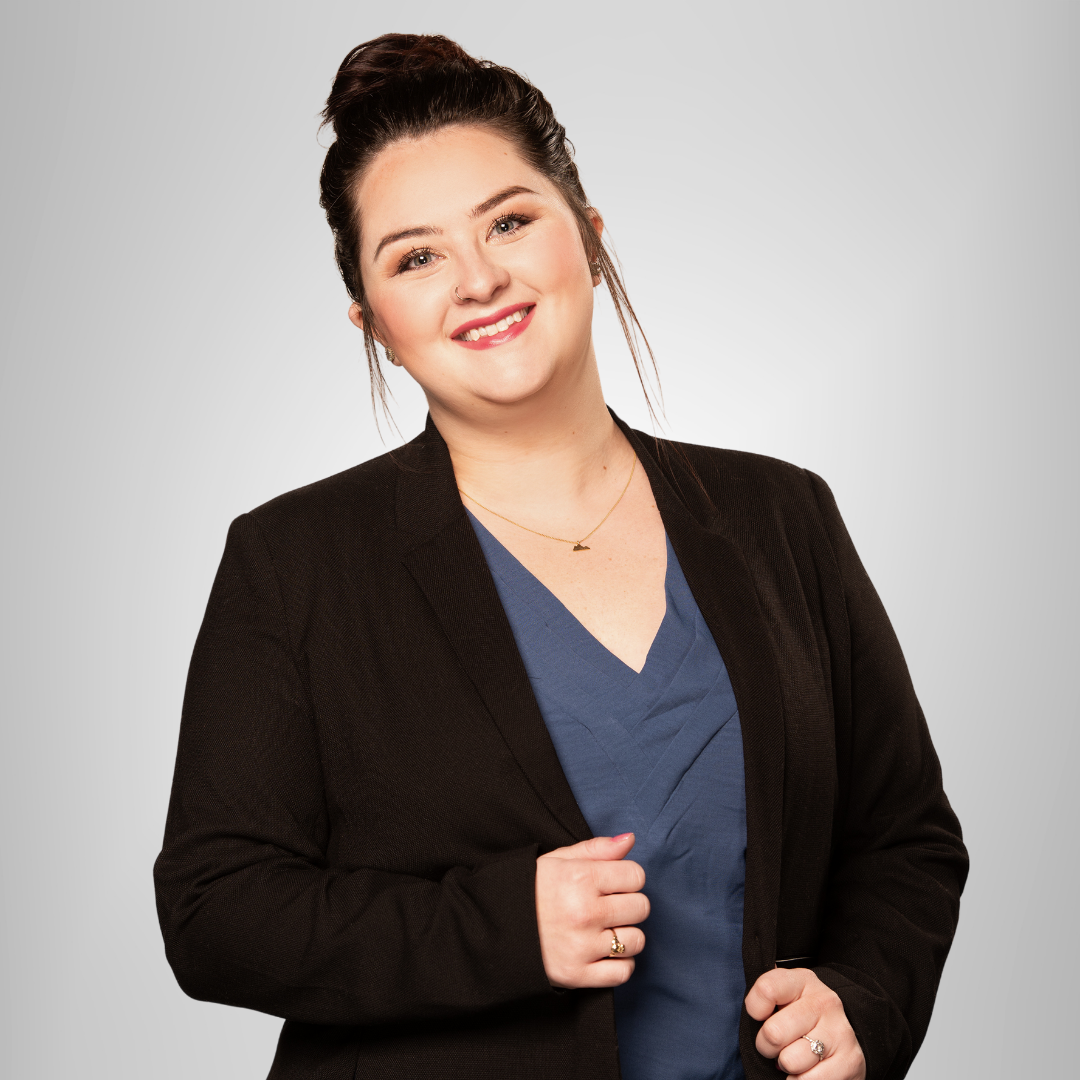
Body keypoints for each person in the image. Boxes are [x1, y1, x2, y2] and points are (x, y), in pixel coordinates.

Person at [154, 33, 967, 1080]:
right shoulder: (293, 563)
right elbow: (216, 911)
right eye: (416, 256)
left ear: (586, 233)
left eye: (509, 220)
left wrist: (865, 1002)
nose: (479, 277)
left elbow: (905, 836)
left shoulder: (780, 516)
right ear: (374, 323)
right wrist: (499, 928)